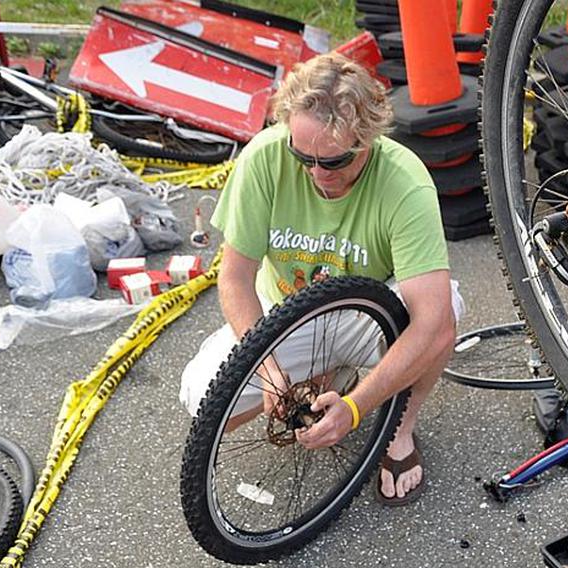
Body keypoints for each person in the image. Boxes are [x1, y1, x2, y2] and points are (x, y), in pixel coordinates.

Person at [179, 53, 463, 506]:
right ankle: (323, 371)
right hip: (285, 317)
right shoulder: (263, 159)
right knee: (202, 398)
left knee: (443, 303)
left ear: (367, 139)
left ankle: (400, 429)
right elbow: (234, 279)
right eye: (301, 156)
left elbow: (434, 324)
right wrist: (269, 371)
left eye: (332, 162)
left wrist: (355, 410)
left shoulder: (404, 181)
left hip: (368, 318)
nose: (314, 174)